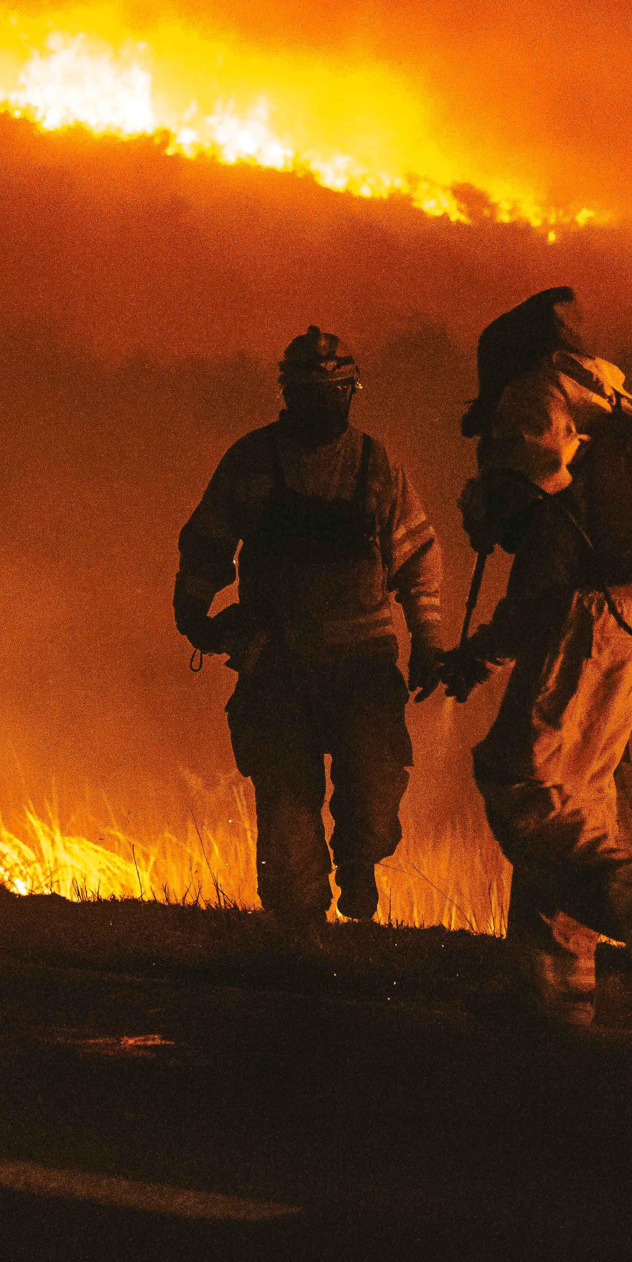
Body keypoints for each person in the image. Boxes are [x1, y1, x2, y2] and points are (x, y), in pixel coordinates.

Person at [436, 287, 632, 1024]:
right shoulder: (613, 410)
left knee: (521, 782)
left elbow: (537, 523)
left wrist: (487, 504)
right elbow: (549, 567)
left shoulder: (539, 395)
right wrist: (484, 655)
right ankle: (555, 987)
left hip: (588, 614)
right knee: (575, 793)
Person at [176, 327, 445, 937]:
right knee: (287, 817)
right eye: (310, 391)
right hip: (278, 663)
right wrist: (193, 608)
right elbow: (210, 539)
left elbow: (418, 558)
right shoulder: (252, 462)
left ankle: (358, 862)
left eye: (335, 390)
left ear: (352, 392)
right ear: (288, 394)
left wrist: (428, 640)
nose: (323, 402)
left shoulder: (377, 467)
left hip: (364, 666)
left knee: (374, 796)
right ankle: (297, 943)